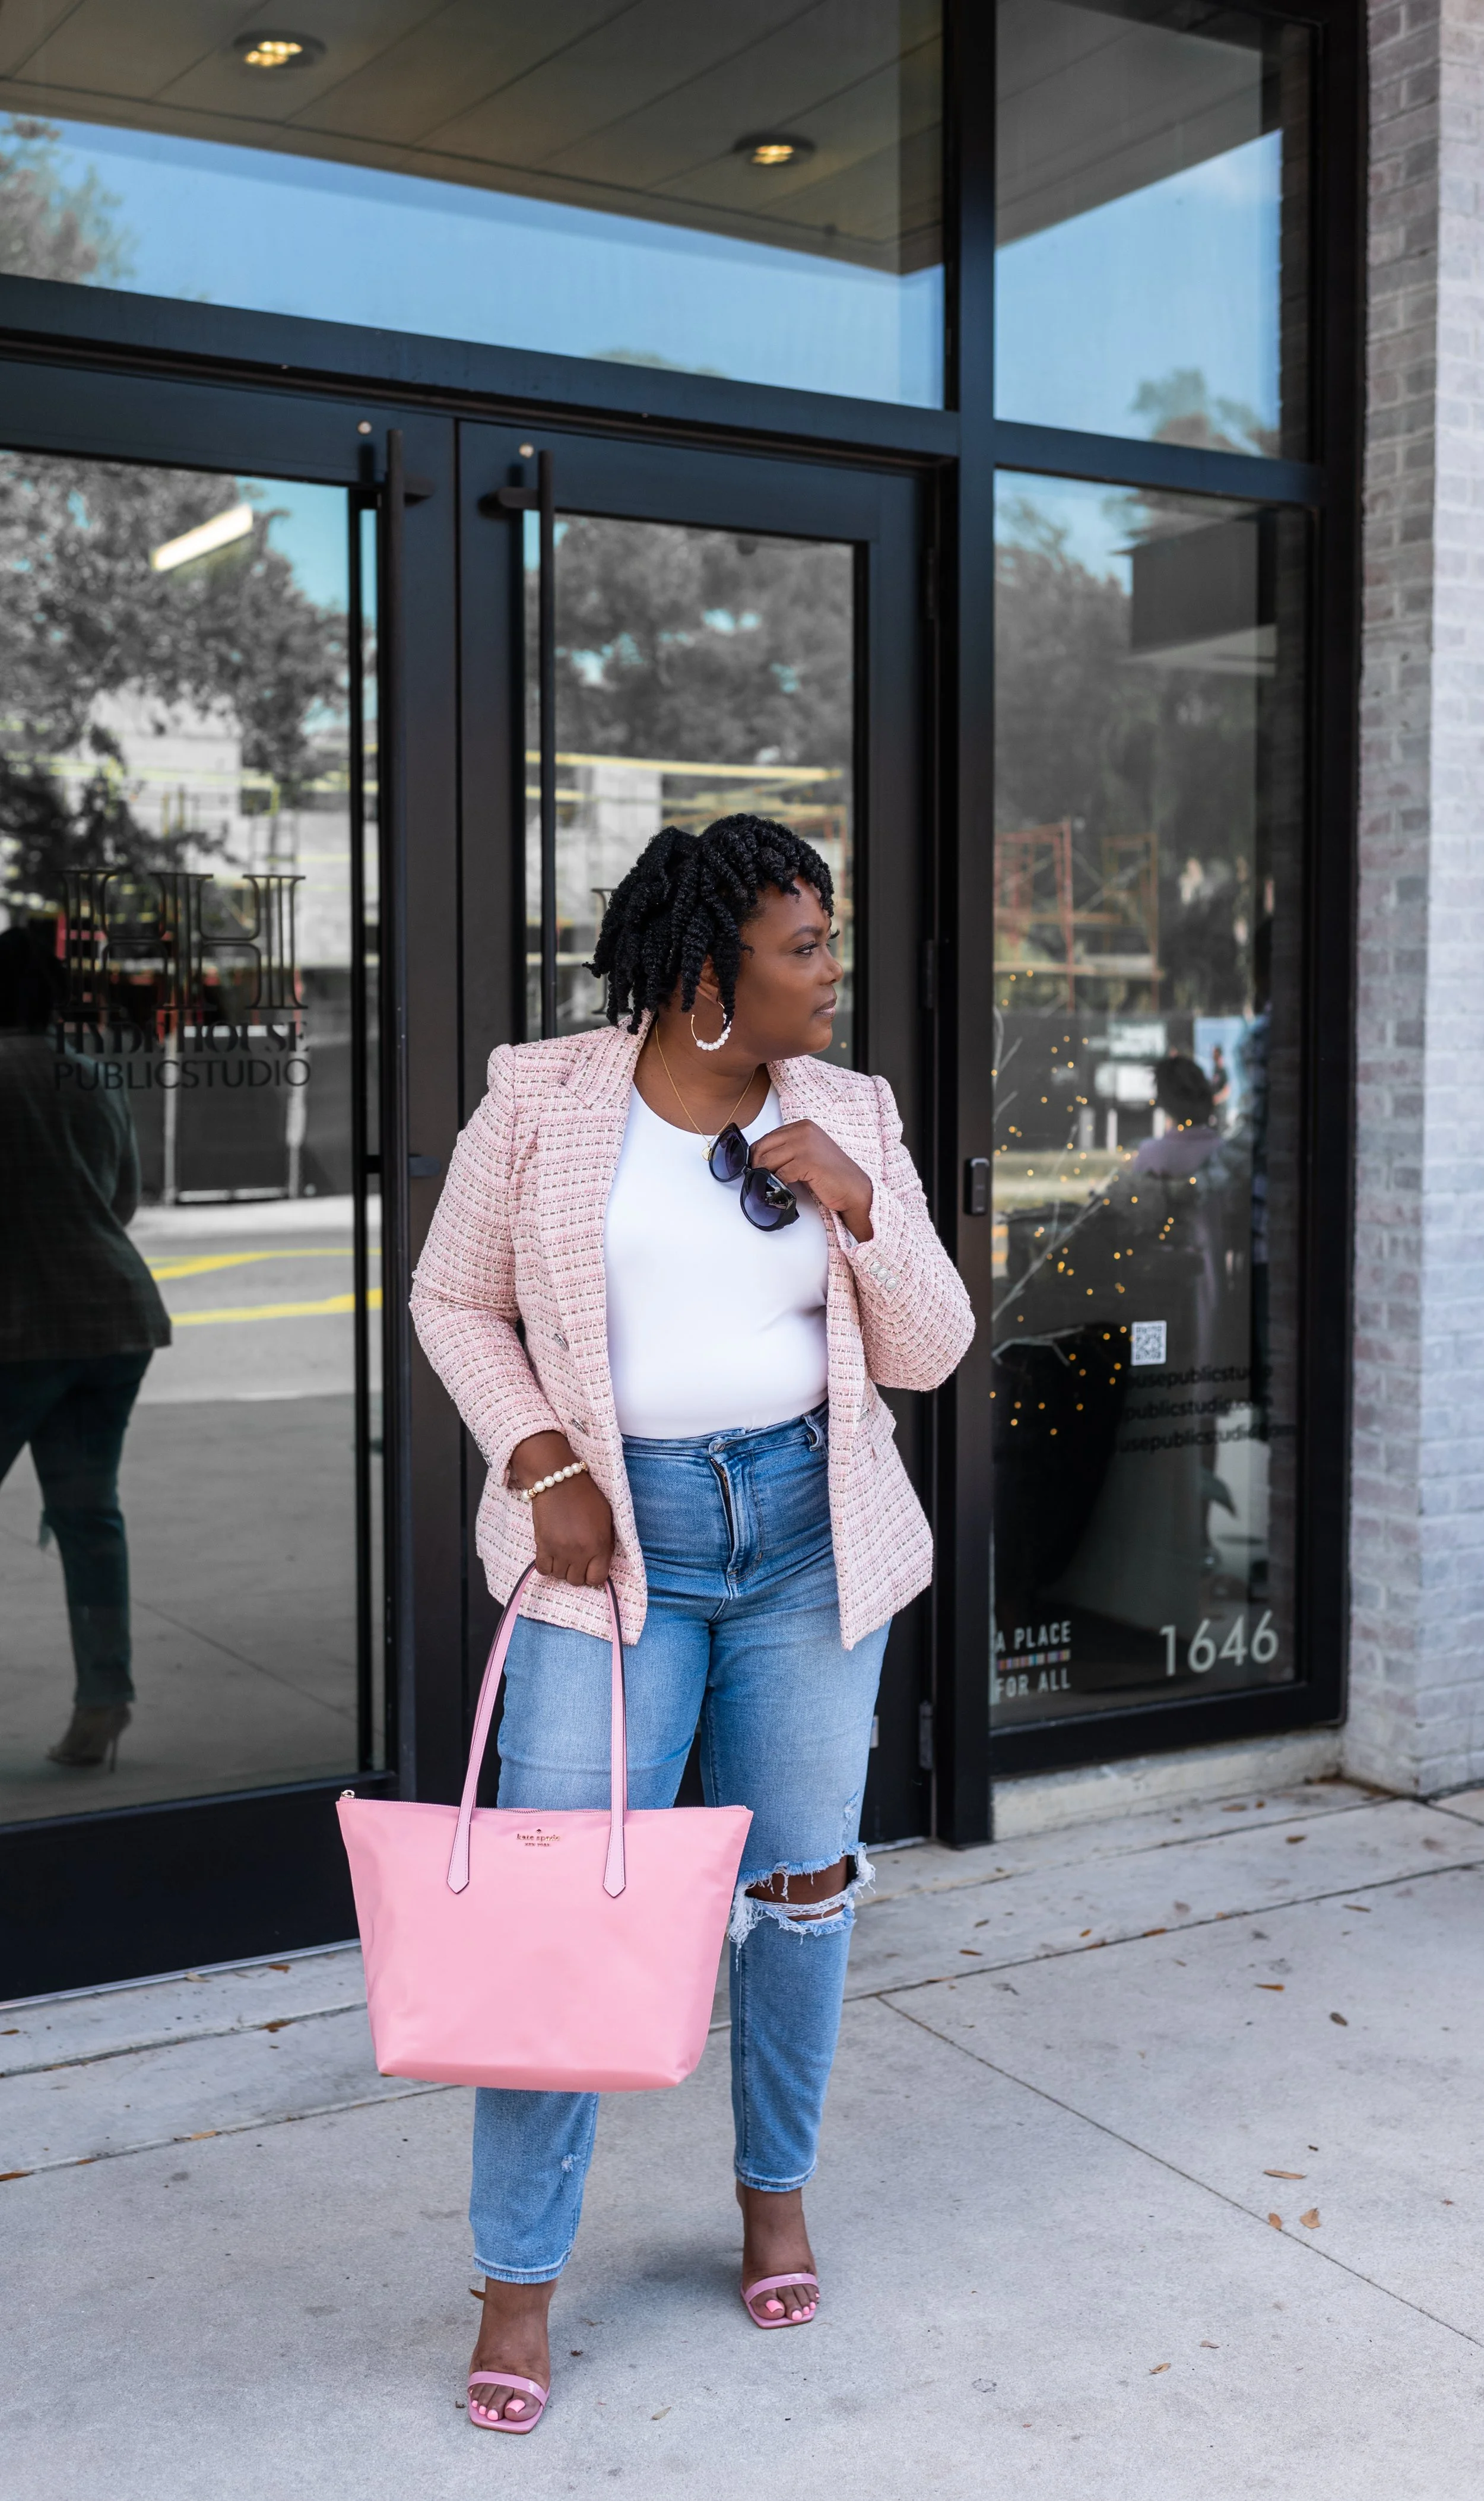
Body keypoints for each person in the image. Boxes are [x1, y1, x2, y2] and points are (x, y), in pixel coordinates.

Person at [411, 814, 974, 2434]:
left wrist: (861, 1208)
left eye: (826, 939)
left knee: (798, 1890)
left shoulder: (847, 1111)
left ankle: (773, 2194)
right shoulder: (543, 1100)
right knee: (558, 1909)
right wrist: (542, 1459)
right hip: (607, 1551)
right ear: (705, 974)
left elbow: (931, 1351)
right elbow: (453, 1297)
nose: (832, 969)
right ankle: (519, 2282)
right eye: (804, 945)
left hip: (806, 1541)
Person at [0, 923, 171, 1769]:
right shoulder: (91, 1076)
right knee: (88, 1513)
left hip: (18, 1324)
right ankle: (102, 1702)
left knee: (86, 1512)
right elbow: (123, 1200)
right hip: (113, 1315)